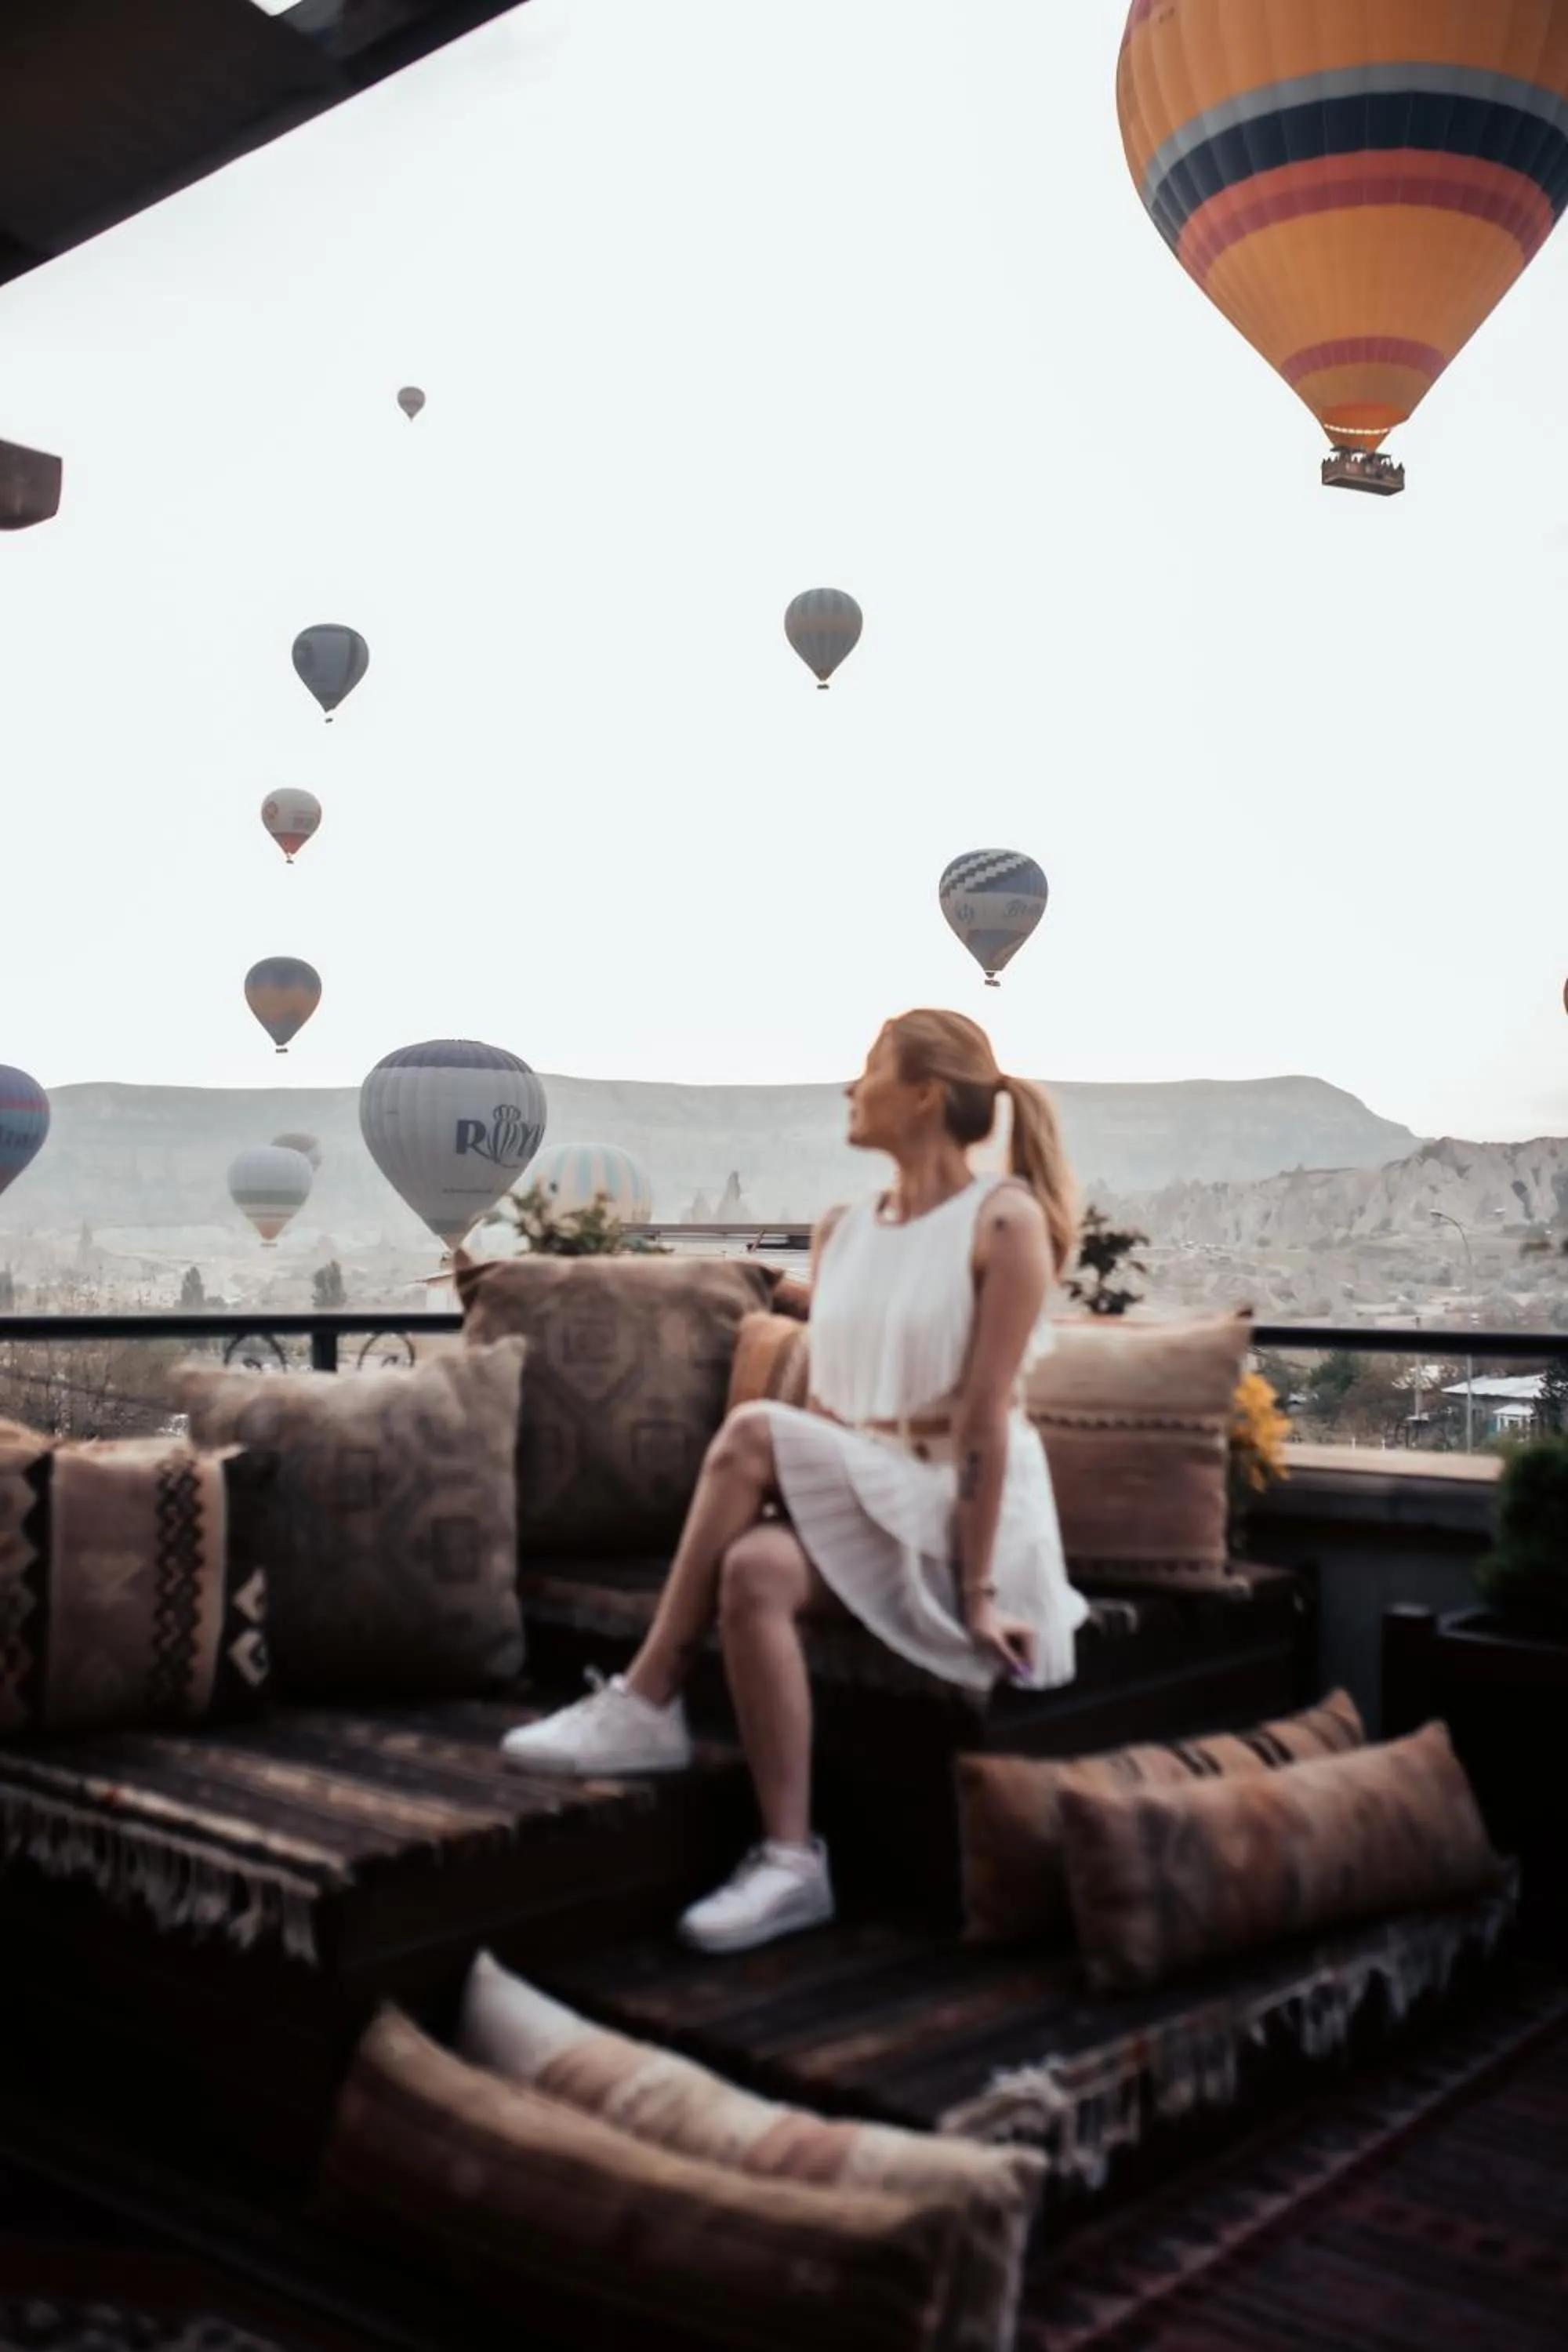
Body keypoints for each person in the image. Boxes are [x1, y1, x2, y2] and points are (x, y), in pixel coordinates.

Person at [500, 1008, 1087, 1954]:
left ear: (926, 1093)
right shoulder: (841, 1228)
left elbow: (983, 1423)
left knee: (747, 1431)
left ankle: (648, 1697)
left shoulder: (1002, 1221)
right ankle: (789, 1861)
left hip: (959, 1515)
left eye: (868, 1069)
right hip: (872, 1486)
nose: (849, 1090)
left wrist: (979, 1595)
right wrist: (796, 1502)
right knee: (753, 1575)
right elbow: (832, 1413)